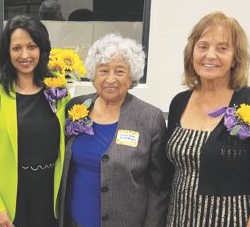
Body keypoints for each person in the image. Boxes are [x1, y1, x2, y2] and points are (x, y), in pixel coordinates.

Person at [165, 11, 250, 227]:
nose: (210, 55)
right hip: (177, 219)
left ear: (236, 57)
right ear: (191, 52)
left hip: (230, 220)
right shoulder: (179, 102)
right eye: (203, 46)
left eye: (222, 48)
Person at [58, 34, 168, 227]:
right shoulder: (77, 107)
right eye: (103, 70)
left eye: (119, 71)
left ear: (131, 75)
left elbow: (159, 186)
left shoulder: (150, 118)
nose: (110, 79)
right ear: (94, 74)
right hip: (74, 221)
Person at [0, 14, 68, 227]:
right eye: (17, 48)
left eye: (31, 46)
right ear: (7, 51)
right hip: (6, 199)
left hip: (48, 197)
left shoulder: (57, 90)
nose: (25, 55)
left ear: (42, 49)